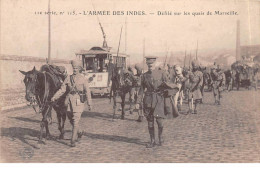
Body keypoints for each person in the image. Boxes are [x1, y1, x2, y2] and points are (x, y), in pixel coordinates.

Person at [136, 56, 179, 148]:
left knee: (160, 122)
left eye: (151, 64)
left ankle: (160, 138)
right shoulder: (144, 76)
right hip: (148, 101)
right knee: (150, 122)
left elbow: (169, 84)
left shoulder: (162, 73)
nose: (150, 66)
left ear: (155, 64)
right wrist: (137, 102)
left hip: (159, 100)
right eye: (148, 65)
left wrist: (167, 91)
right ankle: (152, 140)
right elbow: (141, 90)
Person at [51, 60, 92, 147]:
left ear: (79, 69)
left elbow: (87, 92)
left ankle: (73, 140)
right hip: (69, 102)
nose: (75, 70)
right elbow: (62, 90)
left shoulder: (83, 79)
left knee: (75, 120)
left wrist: (89, 103)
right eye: (73, 68)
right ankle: (80, 131)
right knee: (71, 119)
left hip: (79, 102)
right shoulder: (68, 78)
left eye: (76, 68)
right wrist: (54, 97)